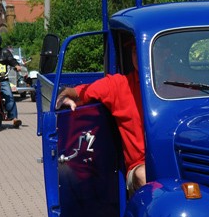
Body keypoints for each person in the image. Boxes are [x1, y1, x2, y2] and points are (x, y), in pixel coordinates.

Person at [56, 41, 146, 192]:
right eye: (135, 51)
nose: (138, 56)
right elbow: (81, 93)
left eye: (145, 50)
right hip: (141, 167)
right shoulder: (120, 85)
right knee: (143, 174)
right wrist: (65, 95)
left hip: (175, 167)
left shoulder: (179, 85)